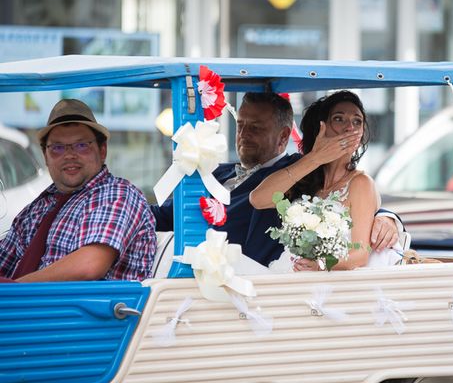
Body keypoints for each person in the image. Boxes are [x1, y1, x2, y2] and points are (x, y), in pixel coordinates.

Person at [152, 92, 401, 267]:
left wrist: (388, 217)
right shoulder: (218, 172)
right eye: (241, 126)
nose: (244, 135)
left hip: (241, 266)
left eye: (256, 128)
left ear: (283, 137)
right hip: (186, 259)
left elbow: (355, 201)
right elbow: (167, 214)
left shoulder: (297, 168)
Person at [0, 99, 156, 282]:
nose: (69, 155)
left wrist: (15, 289)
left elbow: (90, 265)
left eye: (81, 145)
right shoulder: (38, 207)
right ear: (46, 156)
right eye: (57, 148)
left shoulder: (117, 194)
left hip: (83, 309)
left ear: (102, 150)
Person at [250, 90, 402, 271]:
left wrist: (319, 265)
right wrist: (316, 157)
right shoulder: (304, 175)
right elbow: (258, 199)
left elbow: (360, 255)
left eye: (357, 121)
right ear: (320, 128)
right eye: (339, 119)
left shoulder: (361, 183)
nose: (349, 128)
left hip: (333, 281)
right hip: (293, 270)